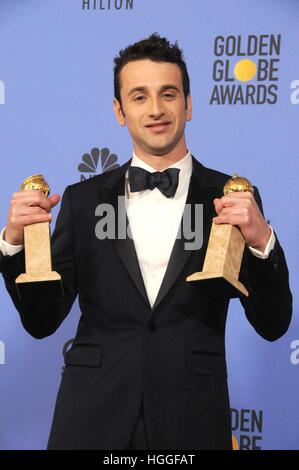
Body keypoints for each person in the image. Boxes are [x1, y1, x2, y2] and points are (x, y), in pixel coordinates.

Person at [0, 33, 292, 450]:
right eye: (139, 97)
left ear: (188, 105)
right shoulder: (85, 201)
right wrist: (13, 245)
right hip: (91, 419)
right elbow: (41, 321)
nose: (155, 109)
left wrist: (262, 240)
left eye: (168, 94)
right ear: (120, 111)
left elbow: (273, 324)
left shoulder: (232, 198)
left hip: (191, 418)